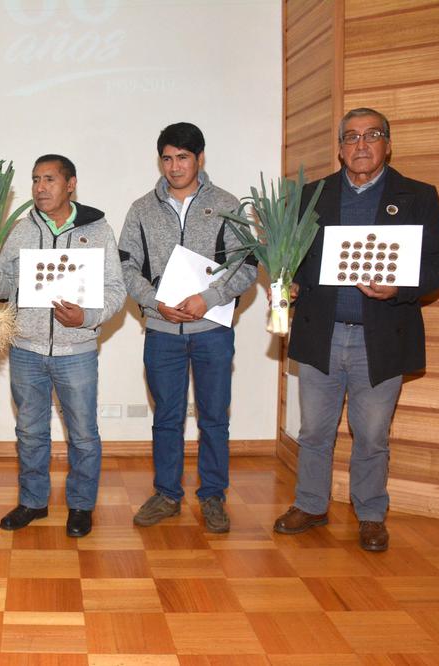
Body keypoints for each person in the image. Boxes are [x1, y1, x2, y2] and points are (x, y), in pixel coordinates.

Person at [274, 108, 439, 551]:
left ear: (387, 144)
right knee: (314, 430)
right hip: (322, 332)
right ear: (339, 148)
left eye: (371, 135)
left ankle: (371, 512)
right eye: (351, 137)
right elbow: (290, 258)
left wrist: (399, 287)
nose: (360, 144)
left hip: (381, 337)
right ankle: (312, 504)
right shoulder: (312, 195)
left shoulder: (416, 196)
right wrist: (289, 282)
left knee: (372, 434)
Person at [118, 122, 258, 534]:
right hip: (162, 331)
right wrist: (153, 301)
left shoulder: (227, 203)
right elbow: (126, 267)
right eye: (167, 157)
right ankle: (166, 494)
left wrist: (209, 299)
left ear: (199, 158)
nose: (175, 166)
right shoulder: (142, 208)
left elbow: (247, 266)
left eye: (183, 157)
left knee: (214, 417)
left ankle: (213, 495)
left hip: (212, 332)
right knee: (167, 417)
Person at [0, 154, 125, 538]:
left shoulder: (98, 230)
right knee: (30, 432)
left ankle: (81, 506)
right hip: (26, 348)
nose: (40, 187)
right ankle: (33, 501)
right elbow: (3, 290)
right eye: (35, 180)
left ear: (71, 184)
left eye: (49, 179)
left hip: (76, 351)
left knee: (83, 434)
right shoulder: (19, 230)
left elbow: (116, 289)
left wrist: (86, 317)